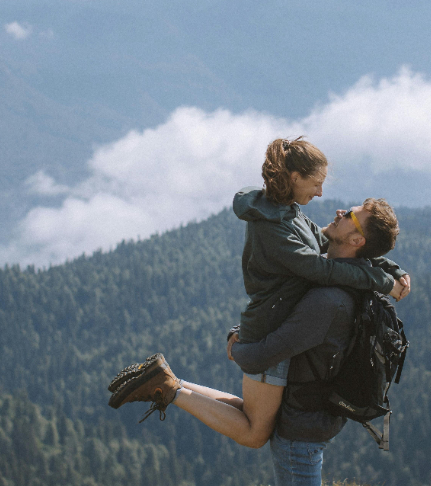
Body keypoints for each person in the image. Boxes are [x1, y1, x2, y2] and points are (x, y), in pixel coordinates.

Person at [114, 198, 404, 486]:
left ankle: (170, 387)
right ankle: (169, 385)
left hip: (302, 423)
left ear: (357, 241)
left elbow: (271, 350)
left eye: (350, 217)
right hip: (309, 411)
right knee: (262, 440)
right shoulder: (337, 275)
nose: (339, 212)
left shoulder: (329, 298)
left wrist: (238, 348)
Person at [108, 138, 410, 446]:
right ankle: (170, 388)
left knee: (248, 412)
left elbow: (328, 243)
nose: (321, 193)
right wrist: (382, 281)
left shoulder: (287, 213)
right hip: (271, 324)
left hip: (269, 319)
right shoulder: (277, 227)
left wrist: (391, 268)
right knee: (254, 433)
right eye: (317, 183)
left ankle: (170, 382)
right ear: (295, 178)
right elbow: (322, 269)